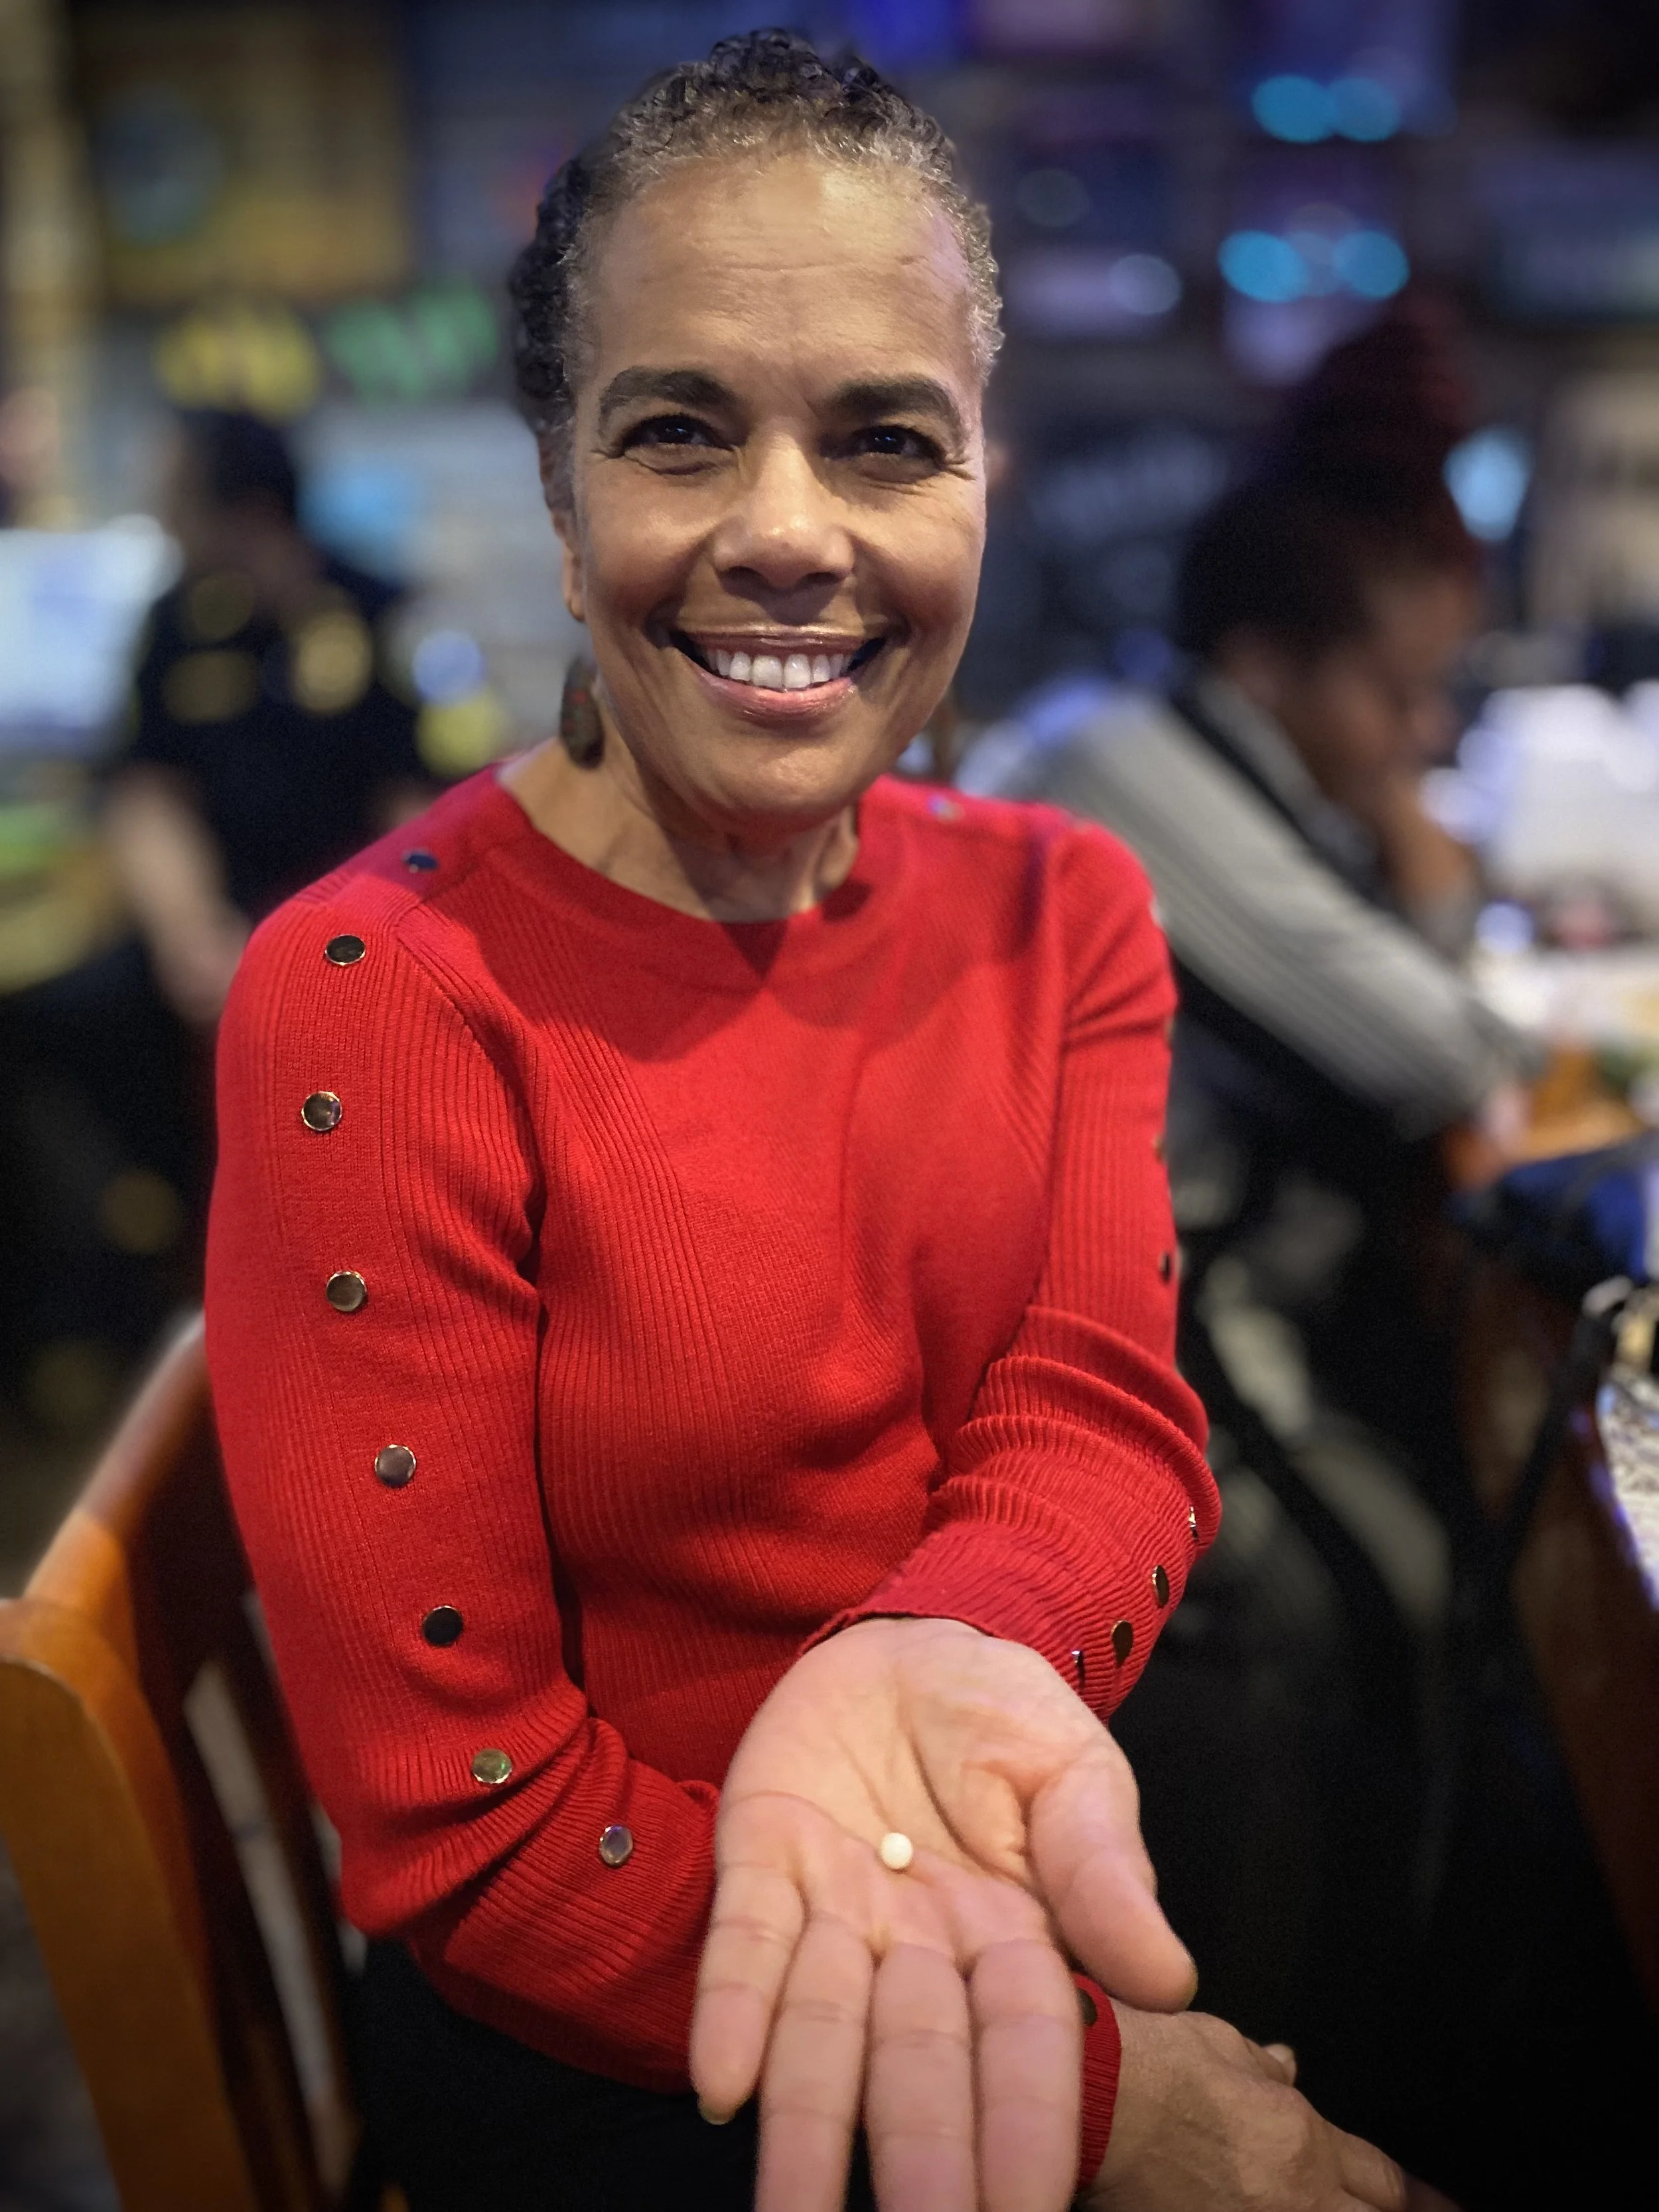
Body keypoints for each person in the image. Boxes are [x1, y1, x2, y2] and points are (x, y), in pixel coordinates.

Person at [205, 34, 1417, 2212]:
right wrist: (1088, 2097)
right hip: (614, 2021)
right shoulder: (376, 995)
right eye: (681, 431)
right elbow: (461, 1816)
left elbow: (1098, 1405)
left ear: (982, 485)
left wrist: (933, 1641)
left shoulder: (1067, 908)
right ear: (566, 506)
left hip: (1009, 1834)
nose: (789, 533)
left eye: (885, 441)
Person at [105, 408, 431, 1027]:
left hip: (362, 930)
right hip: (221, 931)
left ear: (250, 512)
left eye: (180, 503)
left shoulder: (380, 612)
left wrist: (337, 948)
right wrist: (190, 931)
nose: (167, 523)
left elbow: (421, 808)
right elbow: (147, 794)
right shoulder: (176, 624)